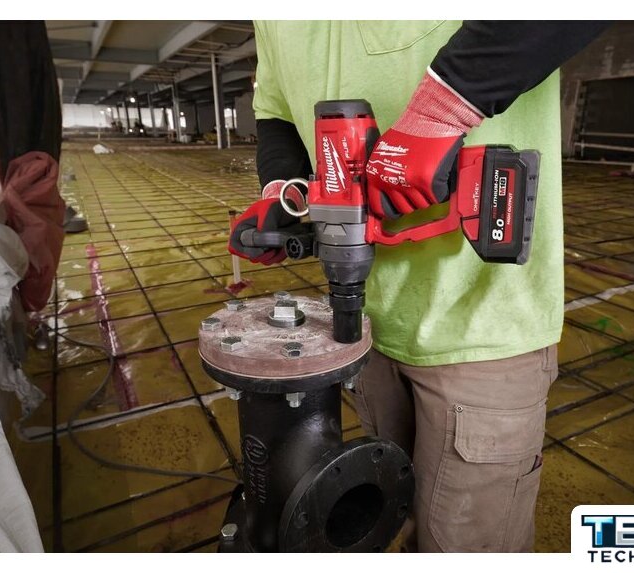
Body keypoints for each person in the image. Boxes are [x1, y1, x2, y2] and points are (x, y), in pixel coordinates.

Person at [229, 21, 609, 552]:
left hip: (481, 322)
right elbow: (276, 113)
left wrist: (441, 111)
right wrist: (284, 191)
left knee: (466, 547)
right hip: (371, 330)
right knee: (393, 517)